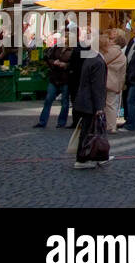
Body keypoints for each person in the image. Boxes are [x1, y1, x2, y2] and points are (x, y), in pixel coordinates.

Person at [73, 30, 108, 170]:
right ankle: (82, 158)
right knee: (88, 132)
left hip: (84, 99)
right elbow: (97, 86)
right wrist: (99, 107)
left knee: (87, 131)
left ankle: (92, 155)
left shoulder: (90, 57)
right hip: (90, 102)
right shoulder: (98, 61)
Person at [35, 34, 74, 129]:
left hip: (65, 78)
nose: (62, 38)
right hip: (54, 77)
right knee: (48, 99)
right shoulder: (56, 48)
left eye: (64, 37)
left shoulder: (72, 50)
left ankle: (61, 123)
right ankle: (42, 121)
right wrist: (54, 62)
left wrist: (65, 65)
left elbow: (74, 63)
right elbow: (48, 58)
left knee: (64, 102)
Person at [101, 28, 126, 133]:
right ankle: (111, 126)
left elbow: (101, 61)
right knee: (112, 105)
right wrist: (121, 85)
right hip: (116, 82)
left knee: (106, 105)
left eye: (111, 39)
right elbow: (123, 73)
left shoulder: (109, 51)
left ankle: (108, 125)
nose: (109, 41)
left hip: (105, 80)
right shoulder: (122, 55)